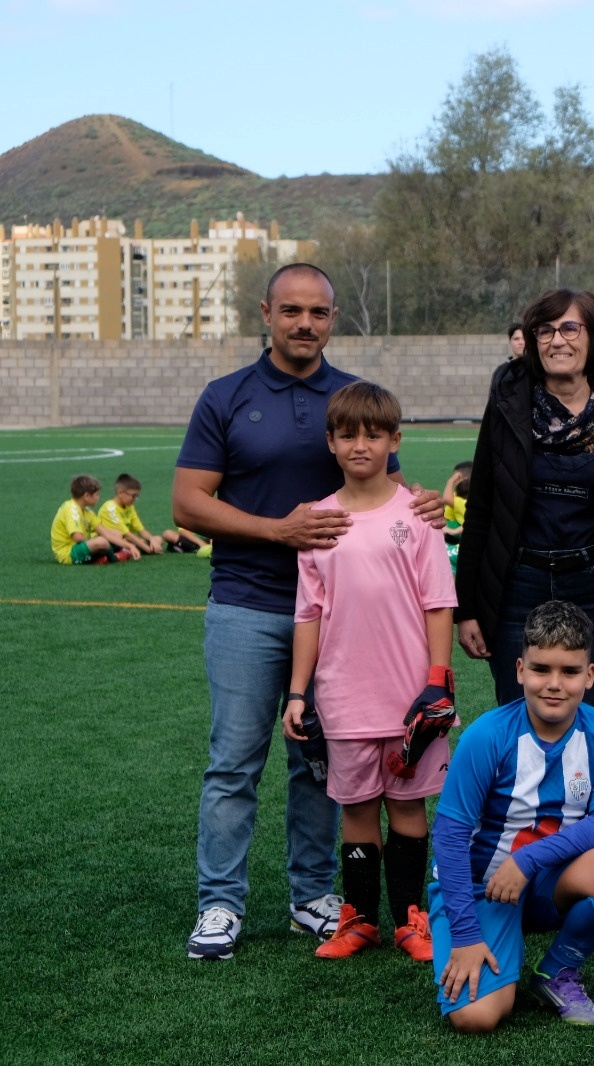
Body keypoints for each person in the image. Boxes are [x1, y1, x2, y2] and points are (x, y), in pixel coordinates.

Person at [174, 262, 443, 961]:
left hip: (340, 622)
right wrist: (277, 531)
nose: (304, 323)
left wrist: (422, 502)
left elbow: (378, 483)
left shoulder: (346, 397)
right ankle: (220, 905)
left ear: (332, 318)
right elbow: (187, 504)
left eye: (318, 313)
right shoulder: (226, 396)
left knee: (321, 766)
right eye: (290, 310)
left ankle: (313, 896)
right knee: (234, 763)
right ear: (267, 312)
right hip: (247, 604)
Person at [280, 381, 457, 961]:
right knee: (356, 809)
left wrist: (437, 680)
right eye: (348, 434)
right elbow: (309, 613)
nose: (361, 445)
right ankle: (358, 920)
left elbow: (438, 603)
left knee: (407, 805)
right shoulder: (318, 522)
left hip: (409, 696)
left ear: (394, 440)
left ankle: (412, 918)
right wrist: (298, 693)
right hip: (344, 695)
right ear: (330, 441)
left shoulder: (418, 514)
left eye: (374, 434)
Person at [430, 601, 594, 1033]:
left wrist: (526, 861)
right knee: (476, 1017)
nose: (554, 684)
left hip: (544, 879)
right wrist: (468, 937)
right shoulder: (488, 735)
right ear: (519, 670)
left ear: (590, 675)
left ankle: (556, 973)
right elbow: (450, 838)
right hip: (483, 885)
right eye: (541, 669)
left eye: (568, 671)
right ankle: (482, 938)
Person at [454, 289, 594, 719]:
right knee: (517, 720)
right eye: (544, 330)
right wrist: (468, 608)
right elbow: (483, 507)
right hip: (518, 584)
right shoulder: (509, 399)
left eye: (570, 328)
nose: (556, 340)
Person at [98, 473, 203, 554]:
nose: (135, 499)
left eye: (137, 496)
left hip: (126, 541)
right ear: (120, 493)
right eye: (133, 495)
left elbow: (141, 530)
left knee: (158, 539)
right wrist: (148, 549)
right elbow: (127, 535)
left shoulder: (130, 507)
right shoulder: (110, 508)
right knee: (118, 535)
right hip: (111, 541)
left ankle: (128, 550)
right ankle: (125, 550)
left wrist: (152, 540)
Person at [50, 474, 131, 564]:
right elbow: (78, 538)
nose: (99, 497)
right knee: (101, 542)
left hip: (80, 545)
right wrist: (100, 542)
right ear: (87, 496)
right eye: (96, 494)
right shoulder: (71, 510)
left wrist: (128, 545)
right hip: (68, 553)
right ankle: (114, 558)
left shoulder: (87, 511)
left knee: (116, 534)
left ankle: (99, 558)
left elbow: (105, 532)